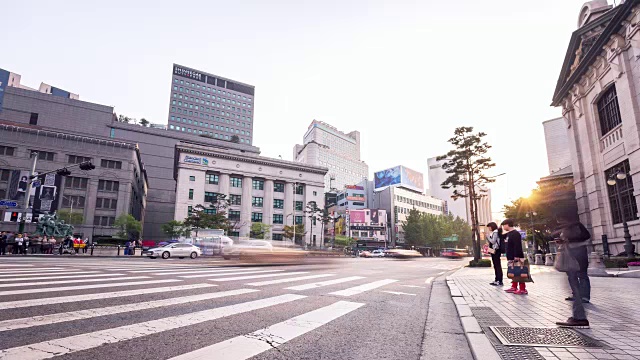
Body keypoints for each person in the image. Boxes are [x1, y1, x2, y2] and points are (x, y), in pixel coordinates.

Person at [554, 214, 591, 328]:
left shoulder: (571, 227)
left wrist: (565, 240)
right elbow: (585, 236)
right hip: (579, 256)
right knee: (576, 284)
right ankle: (579, 315)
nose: (558, 220)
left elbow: (570, 239)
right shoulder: (577, 226)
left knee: (575, 286)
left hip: (573, 257)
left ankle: (579, 318)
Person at [501, 219, 527, 295]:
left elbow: (517, 246)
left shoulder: (515, 234)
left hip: (516, 257)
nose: (503, 227)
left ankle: (522, 289)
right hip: (510, 257)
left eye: (503, 225)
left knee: (520, 273)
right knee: (513, 272)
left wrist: (517, 256)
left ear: (507, 224)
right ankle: (514, 286)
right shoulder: (509, 234)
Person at [486, 222, 503, 286]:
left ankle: (499, 280)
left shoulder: (495, 232)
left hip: (496, 250)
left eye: (489, 227)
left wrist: (488, 236)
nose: (489, 228)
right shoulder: (494, 232)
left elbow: (493, 241)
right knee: (495, 265)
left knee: (497, 265)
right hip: (494, 250)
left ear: (492, 226)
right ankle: (496, 279)